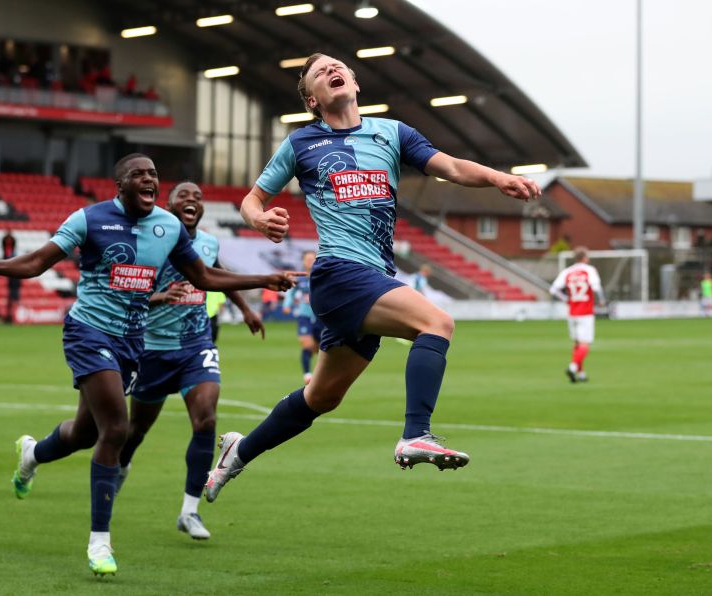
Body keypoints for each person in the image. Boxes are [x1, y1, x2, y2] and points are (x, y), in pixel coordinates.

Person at [204, 52, 541, 504]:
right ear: (311, 99)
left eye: (337, 67)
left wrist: (499, 178)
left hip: (370, 275)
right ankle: (416, 434)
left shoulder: (392, 132)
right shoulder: (301, 143)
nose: (331, 72)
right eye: (319, 74)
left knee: (321, 398)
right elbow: (252, 198)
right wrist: (260, 219)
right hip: (340, 273)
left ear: (355, 84)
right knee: (437, 323)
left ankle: (238, 451)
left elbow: (453, 168)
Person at [0, 154, 295, 576]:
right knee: (117, 428)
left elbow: (205, 277)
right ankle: (100, 542)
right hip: (89, 332)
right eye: (139, 174)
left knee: (86, 433)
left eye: (154, 174)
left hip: (132, 343)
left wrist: (261, 280)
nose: (149, 179)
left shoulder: (168, 227)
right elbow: (39, 261)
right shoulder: (88, 219)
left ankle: (32, 453)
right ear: (120, 184)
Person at [115, 181, 272, 541]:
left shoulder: (207, 242)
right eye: (184, 196)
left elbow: (214, 275)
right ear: (168, 205)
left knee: (207, 419)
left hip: (195, 344)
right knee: (136, 430)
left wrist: (246, 308)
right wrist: (160, 297)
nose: (192, 201)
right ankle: (119, 468)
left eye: (198, 197)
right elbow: (127, 292)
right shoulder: (150, 241)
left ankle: (189, 510)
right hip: (152, 348)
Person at [549, 247, 605, 383]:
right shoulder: (589, 270)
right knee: (584, 345)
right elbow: (596, 287)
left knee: (577, 344)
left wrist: (566, 300)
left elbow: (553, 290)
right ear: (585, 258)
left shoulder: (567, 272)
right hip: (585, 312)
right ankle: (573, 367)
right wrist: (602, 300)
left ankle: (581, 374)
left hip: (572, 312)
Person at [282, 250, 324, 384]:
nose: (310, 262)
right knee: (307, 344)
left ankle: (321, 374)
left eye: (312, 259)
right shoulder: (299, 279)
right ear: (303, 262)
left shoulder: (323, 277)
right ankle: (307, 374)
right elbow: (290, 293)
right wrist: (287, 305)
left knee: (320, 348)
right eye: (307, 259)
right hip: (304, 316)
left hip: (321, 317)